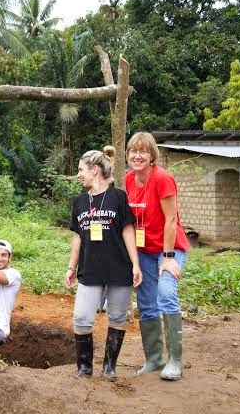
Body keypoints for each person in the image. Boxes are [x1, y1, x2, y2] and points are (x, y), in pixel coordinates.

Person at [65, 146, 142, 379]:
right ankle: (85, 367)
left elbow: (128, 232)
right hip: (90, 268)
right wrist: (71, 267)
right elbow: (77, 238)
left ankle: (109, 367)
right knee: (81, 317)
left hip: (119, 267)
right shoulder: (79, 201)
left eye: (81, 170)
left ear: (95, 170)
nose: (78, 174)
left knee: (117, 317)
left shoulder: (119, 197)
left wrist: (136, 265)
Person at [125, 132, 189, 381]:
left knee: (165, 293)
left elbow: (171, 219)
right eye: (133, 151)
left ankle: (175, 360)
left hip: (169, 249)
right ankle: (154, 359)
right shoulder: (129, 179)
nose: (137, 155)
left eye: (143, 151)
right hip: (144, 251)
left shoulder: (163, 178)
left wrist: (168, 256)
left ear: (152, 156)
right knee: (146, 303)